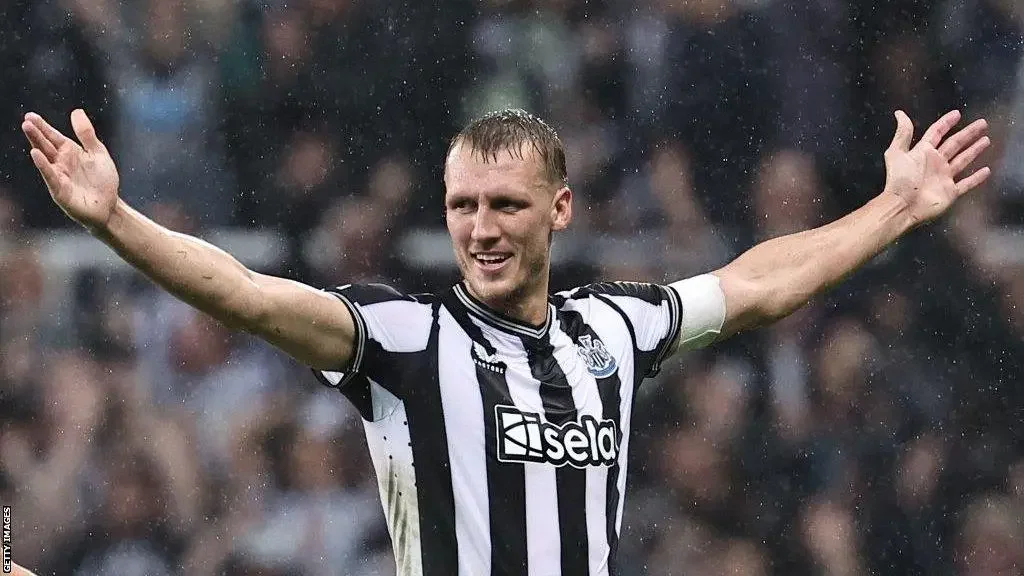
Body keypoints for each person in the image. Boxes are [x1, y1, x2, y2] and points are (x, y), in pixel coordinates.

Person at [20, 107, 990, 575]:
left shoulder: (614, 325)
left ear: (559, 209)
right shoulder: (403, 338)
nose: (480, 227)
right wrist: (117, 223)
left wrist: (891, 207)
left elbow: (758, 282)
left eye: (505, 205)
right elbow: (245, 295)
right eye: (461, 206)